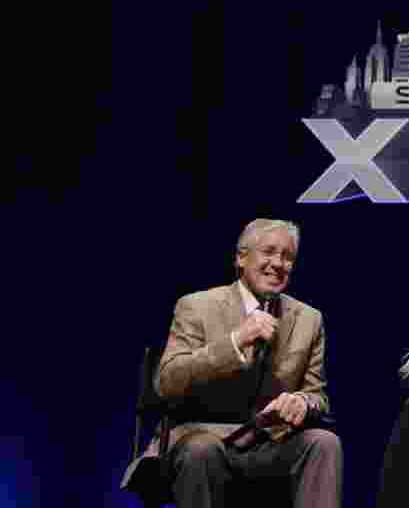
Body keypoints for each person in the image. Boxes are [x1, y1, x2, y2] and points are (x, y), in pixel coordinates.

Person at [121, 218, 342, 508]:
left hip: (270, 444)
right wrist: (236, 340)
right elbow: (167, 381)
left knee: (323, 443)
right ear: (241, 258)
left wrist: (303, 402)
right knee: (201, 450)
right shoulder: (197, 306)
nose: (278, 263)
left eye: (287, 257)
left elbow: (318, 395)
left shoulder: (308, 319)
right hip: (202, 439)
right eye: (269, 252)